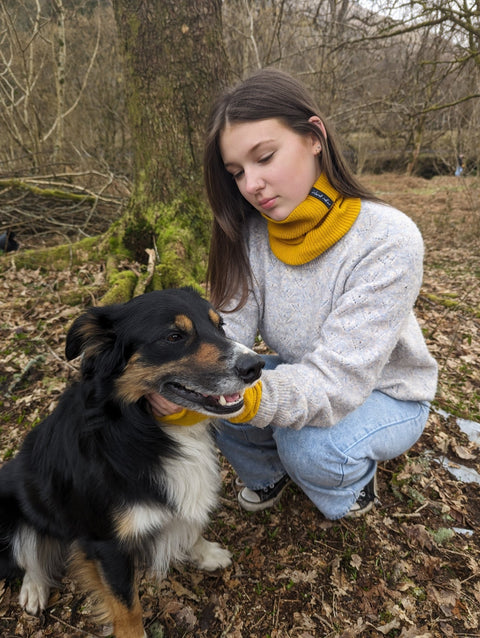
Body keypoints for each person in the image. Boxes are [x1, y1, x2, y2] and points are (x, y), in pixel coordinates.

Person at [148, 68, 438, 520]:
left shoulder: (388, 238)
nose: (251, 185)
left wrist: (245, 398)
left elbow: (338, 381)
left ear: (314, 136)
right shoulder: (251, 235)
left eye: (264, 157)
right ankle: (270, 475)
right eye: (237, 172)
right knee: (213, 397)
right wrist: (184, 384)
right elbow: (229, 330)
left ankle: (348, 483)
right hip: (307, 373)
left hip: (387, 392)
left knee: (306, 444)